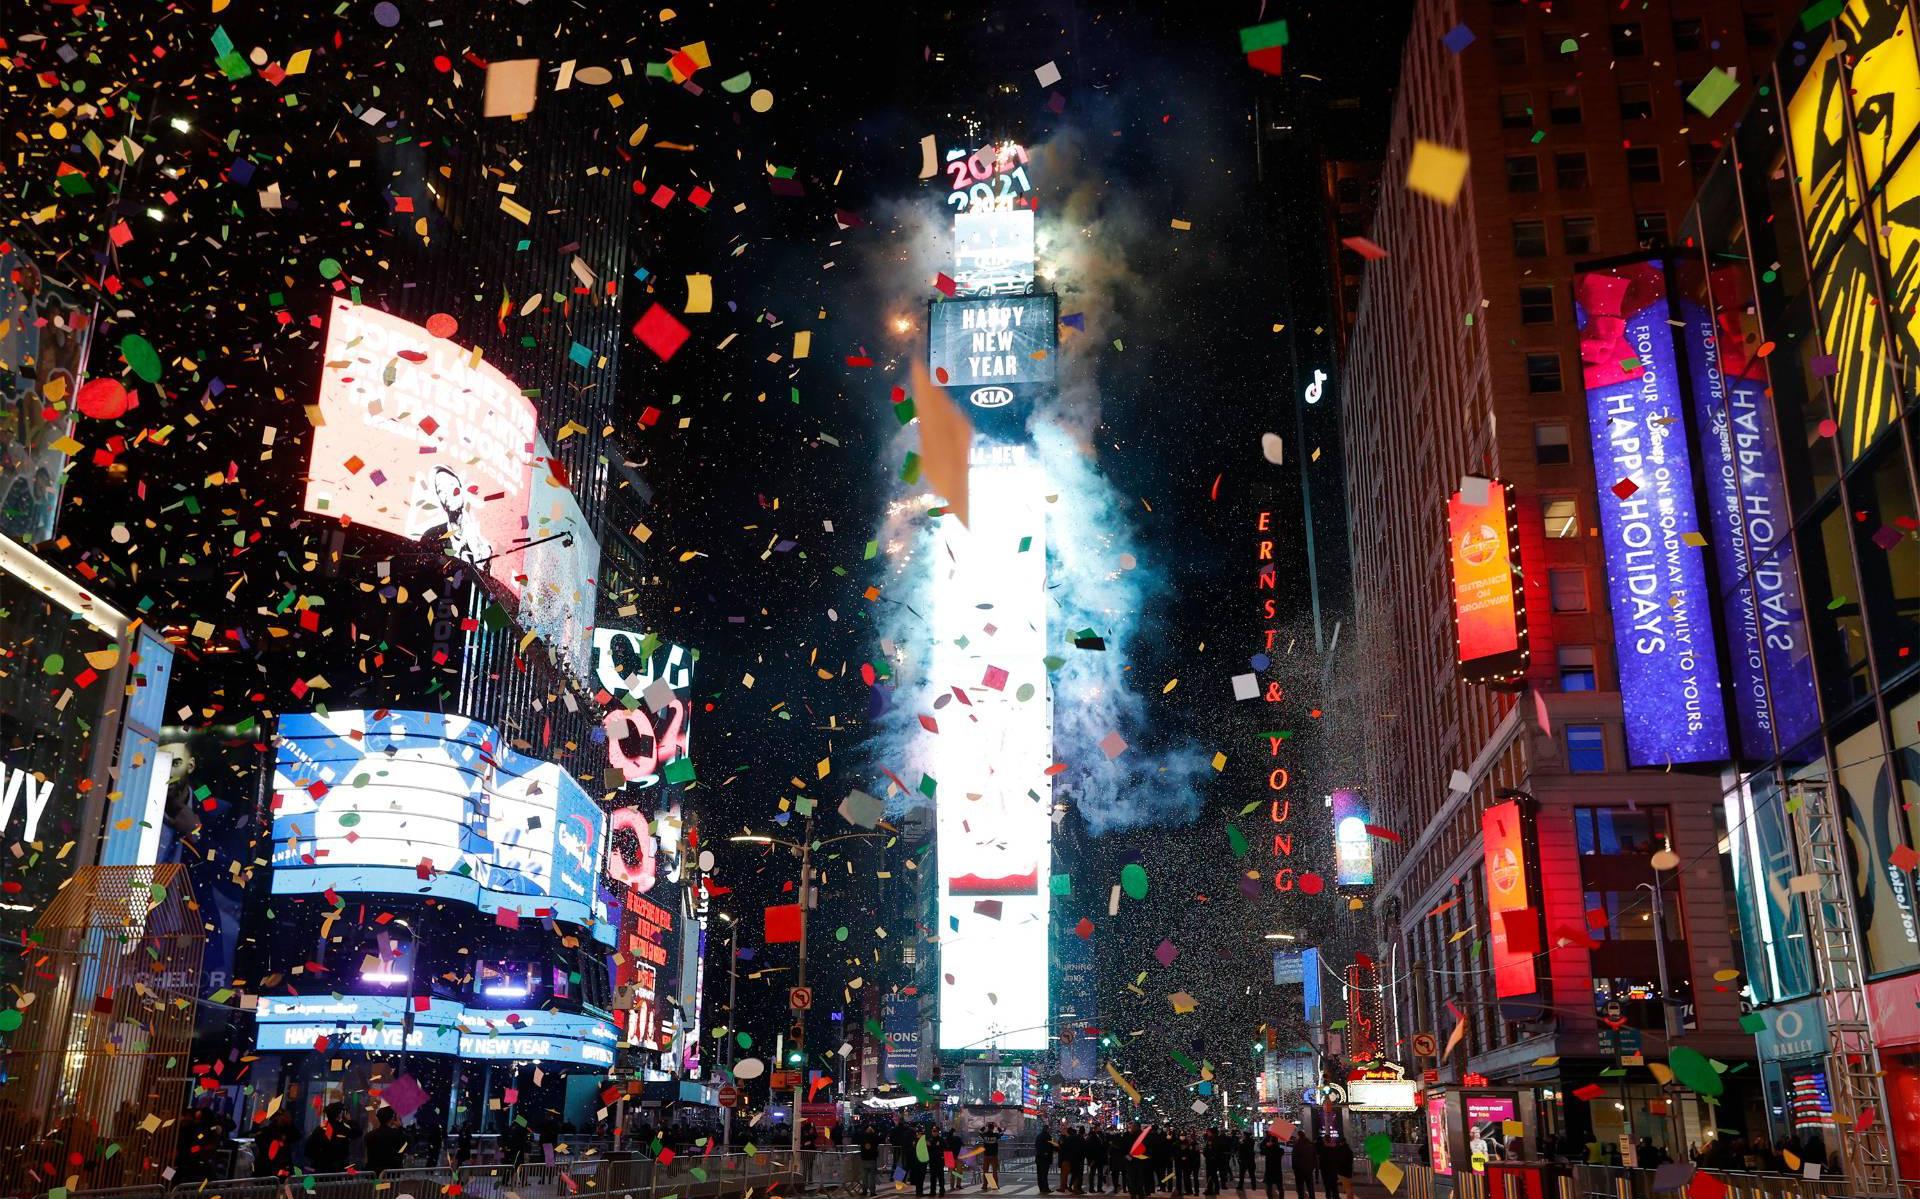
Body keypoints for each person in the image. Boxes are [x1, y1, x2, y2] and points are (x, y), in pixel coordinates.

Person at [305, 1102, 357, 1174]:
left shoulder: (320, 1128)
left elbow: (308, 1149)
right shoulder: (341, 1129)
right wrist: (350, 1121)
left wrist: (319, 1160)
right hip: (338, 1170)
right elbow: (357, 1133)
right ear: (339, 1114)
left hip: (321, 1170)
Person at [365, 1107, 410, 1173]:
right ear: (392, 1119)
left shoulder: (369, 1135)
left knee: (377, 1183)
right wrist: (400, 1127)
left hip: (374, 1173)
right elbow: (409, 1142)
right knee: (390, 1183)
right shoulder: (396, 1134)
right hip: (392, 1173)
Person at [261, 1109, 300, 1179]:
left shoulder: (286, 1127)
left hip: (285, 1162)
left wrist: (290, 1123)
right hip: (273, 1164)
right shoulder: (270, 1129)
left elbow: (297, 1136)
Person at [1289, 1131, 1316, 1199]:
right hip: (1309, 1169)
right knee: (1310, 1186)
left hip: (1299, 1170)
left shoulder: (1297, 1145)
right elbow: (1314, 1157)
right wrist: (1313, 1167)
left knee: (1300, 1187)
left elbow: (1294, 1158)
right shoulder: (1310, 1144)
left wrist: (1294, 1168)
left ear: (1299, 1136)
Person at [861, 1123, 883, 1196]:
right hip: (872, 1159)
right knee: (872, 1176)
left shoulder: (863, 1137)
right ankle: (872, 1192)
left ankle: (864, 1190)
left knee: (864, 1176)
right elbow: (879, 1141)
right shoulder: (875, 1137)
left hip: (864, 1158)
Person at [1260, 1133, 1285, 1199]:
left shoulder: (1268, 1149)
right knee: (1280, 1188)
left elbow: (1261, 1151)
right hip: (1278, 1170)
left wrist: (1267, 1145)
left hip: (1269, 1171)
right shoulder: (1280, 1150)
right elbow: (1281, 1151)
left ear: (1271, 1141)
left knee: (1269, 1188)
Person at [1036, 1123, 1056, 1195]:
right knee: (1044, 1174)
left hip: (1039, 1157)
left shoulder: (1038, 1136)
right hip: (1045, 1158)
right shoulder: (1047, 1136)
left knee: (1040, 1174)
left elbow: (1037, 1146)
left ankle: (1041, 1187)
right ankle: (1045, 1188)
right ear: (1047, 1129)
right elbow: (1050, 1146)